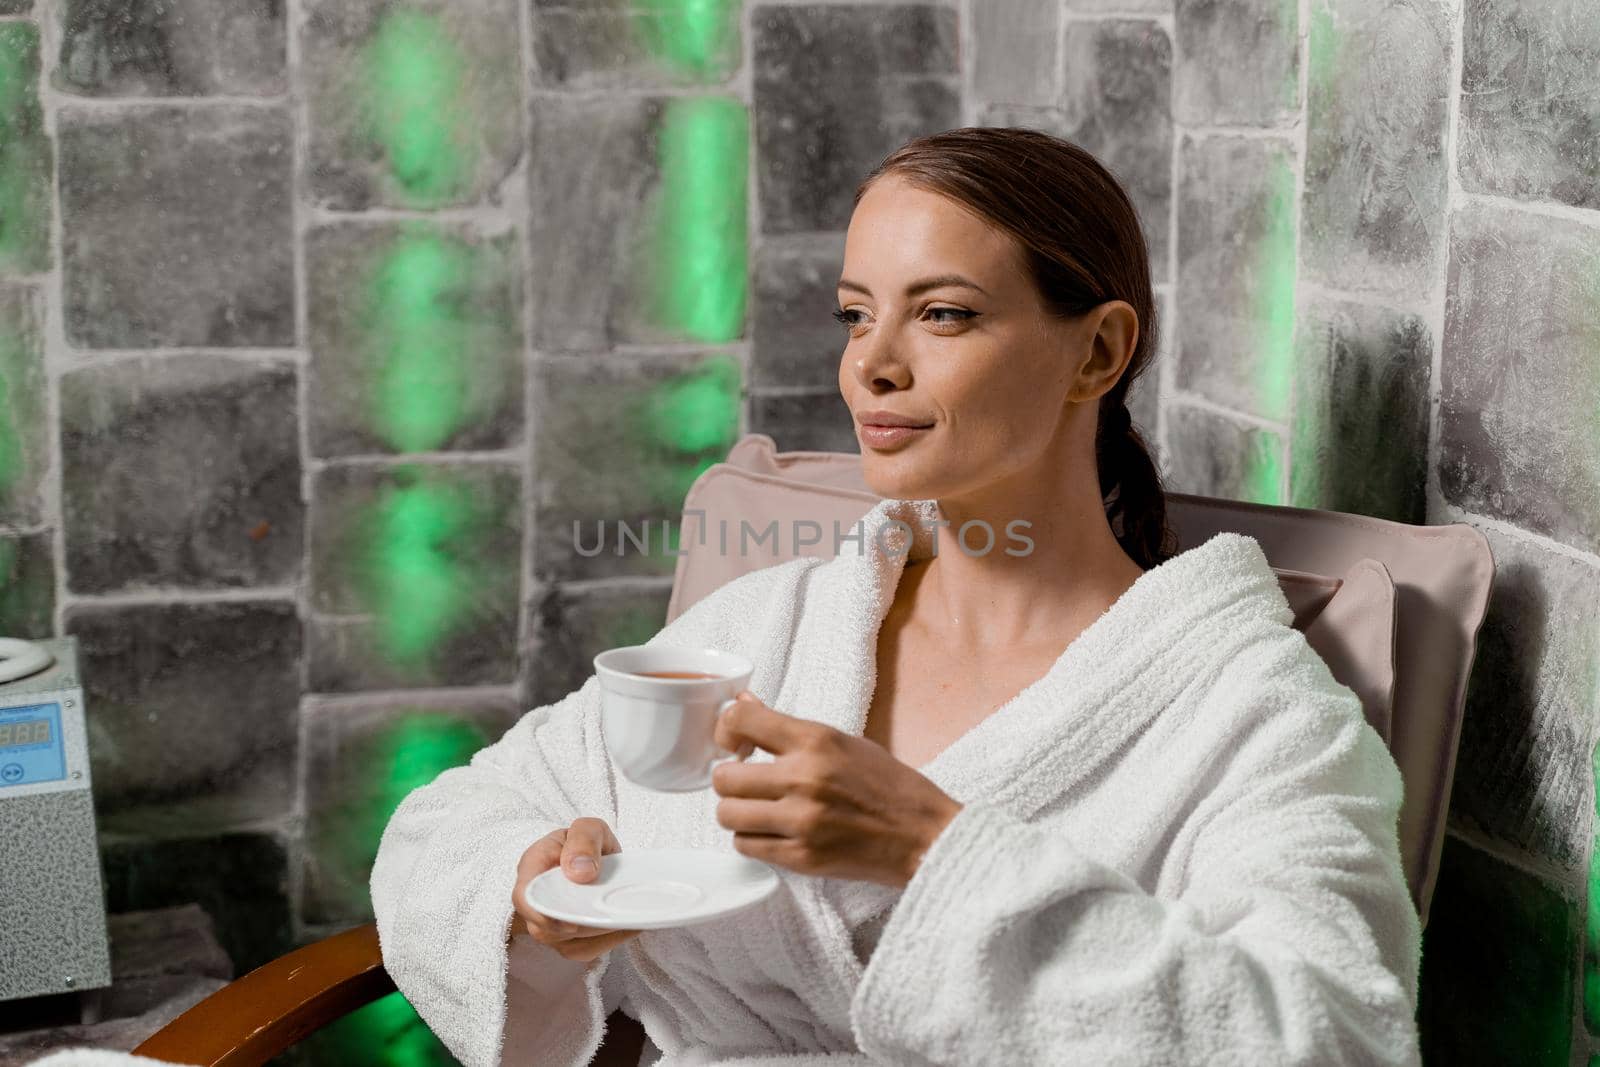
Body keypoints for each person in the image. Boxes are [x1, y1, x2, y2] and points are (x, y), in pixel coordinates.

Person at [370, 127, 1423, 1067]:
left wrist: (932, 849)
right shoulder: (774, 627)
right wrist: (531, 887)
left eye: (944, 315)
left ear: (1096, 351)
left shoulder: (1247, 713)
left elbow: (1336, 1033)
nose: (870, 363)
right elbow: (446, 824)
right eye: (854, 314)